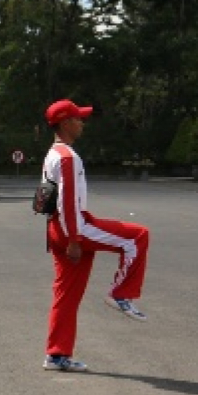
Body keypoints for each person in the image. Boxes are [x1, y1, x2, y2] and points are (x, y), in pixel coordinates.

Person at [42, 99, 151, 372]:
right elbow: (67, 201)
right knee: (137, 236)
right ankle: (121, 293)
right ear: (66, 123)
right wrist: (76, 240)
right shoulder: (67, 157)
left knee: (66, 296)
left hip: (57, 227)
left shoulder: (53, 153)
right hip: (74, 228)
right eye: (78, 119)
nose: (82, 124)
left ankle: (56, 355)